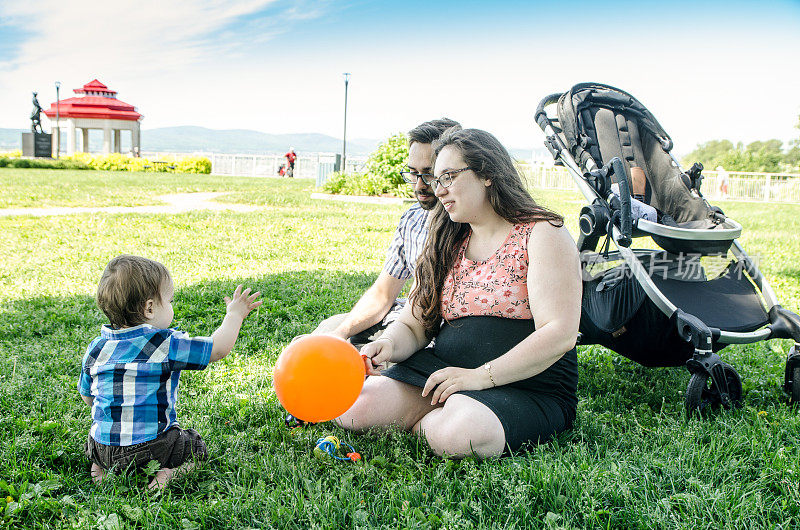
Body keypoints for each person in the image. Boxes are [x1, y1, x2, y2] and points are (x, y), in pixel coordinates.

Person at [336, 128, 581, 458]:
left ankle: (440, 419)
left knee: (460, 434)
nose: (439, 191)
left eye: (448, 177)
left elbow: (559, 333)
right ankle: (437, 414)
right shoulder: (446, 240)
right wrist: (389, 344)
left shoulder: (541, 232)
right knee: (355, 408)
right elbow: (414, 325)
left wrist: (480, 378)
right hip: (445, 371)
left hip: (527, 384)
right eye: (437, 181)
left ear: (487, 174)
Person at [78, 255, 262, 490]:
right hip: (150, 449)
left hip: (100, 447)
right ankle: (168, 476)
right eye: (170, 300)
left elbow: (88, 398)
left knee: (104, 446)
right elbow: (218, 349)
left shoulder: (96, 348)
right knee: (194, 446)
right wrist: (235, 315)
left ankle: (101, 469)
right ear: (150, 308)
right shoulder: (165, 344)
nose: (172, 305)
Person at [309, 118, 461, 347]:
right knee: (323, 334)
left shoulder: (470, 224)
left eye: (428, 174)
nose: (419, 185)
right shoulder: (412, 219)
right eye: (413, 173)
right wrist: (341, 333)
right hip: (401, 320)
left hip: (433, 339)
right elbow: (383, 294)